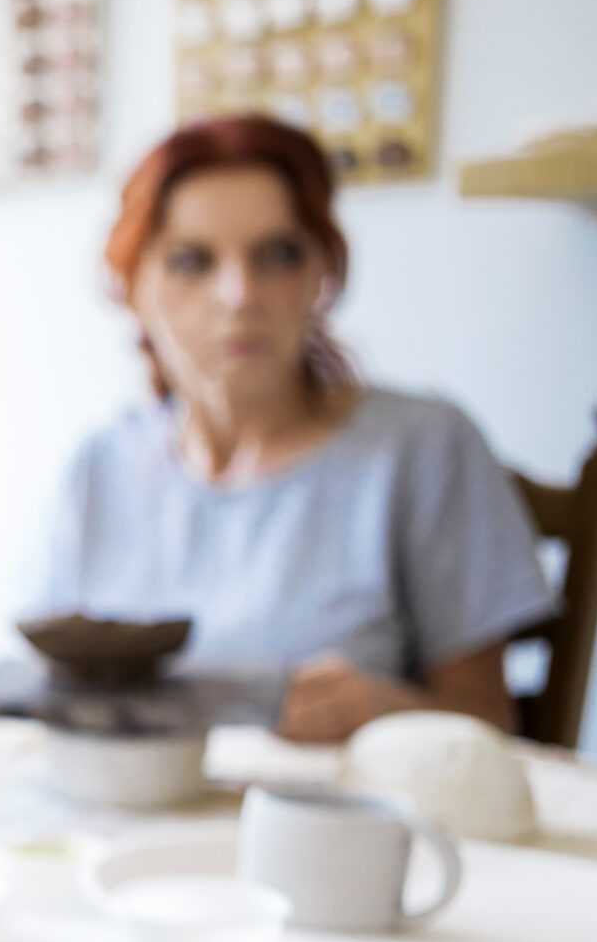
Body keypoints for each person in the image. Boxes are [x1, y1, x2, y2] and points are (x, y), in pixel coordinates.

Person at [37, 114, 556, 745]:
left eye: (278, 255)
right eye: (190, 261)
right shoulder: (100, 468)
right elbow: (49, 701)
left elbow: (493, 727)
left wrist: (384, 711)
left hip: (333, 832)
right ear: (131, 289)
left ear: (321, 274)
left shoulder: (422, 449)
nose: (238, 293)